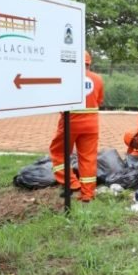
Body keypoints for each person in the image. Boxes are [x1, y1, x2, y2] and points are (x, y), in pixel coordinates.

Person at [50, 51, 105, 202]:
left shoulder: (68, 77)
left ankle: (72, 183)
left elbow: (59, 99)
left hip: (71, 122)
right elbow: (99, 101)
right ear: (89, 63)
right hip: (92, 124)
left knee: (58, 152)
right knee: (88, 158)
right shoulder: (98, 79)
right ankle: (87, 194)